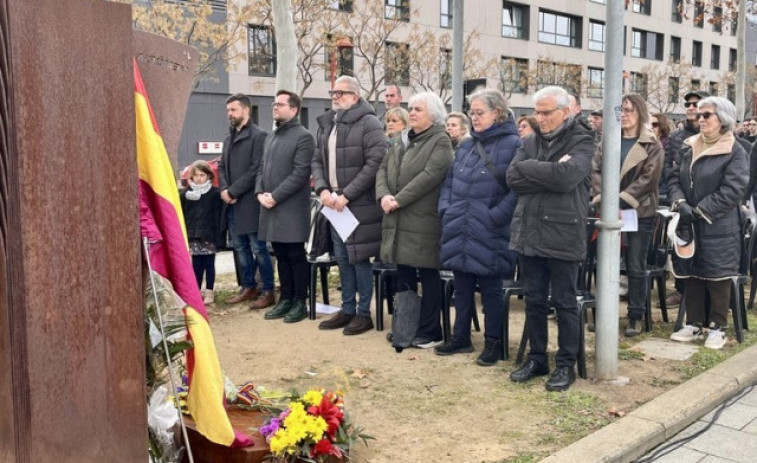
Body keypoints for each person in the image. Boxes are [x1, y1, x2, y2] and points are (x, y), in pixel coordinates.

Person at [506, 86, 595, 391]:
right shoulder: (530, 141)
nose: (540, 118)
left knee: (564, 301)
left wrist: (531, 169)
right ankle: (537, 357)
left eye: (546, 112)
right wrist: (546, 171)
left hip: (563, 231)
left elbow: (568, 177)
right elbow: (512, 177)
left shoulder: (582, 140)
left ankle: (566, 364)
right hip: (530, 230)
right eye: (537, 112)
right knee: (533, 300)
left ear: (565, 111)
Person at [434, 88, 520, 365]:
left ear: (497, 113)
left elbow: (517, 189)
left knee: (491, 289)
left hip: (491, 228)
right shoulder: (467, 145)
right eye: (472, 112)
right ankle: (461, 338)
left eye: (479, 112)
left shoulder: (514, 144)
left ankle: (494, 342)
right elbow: (449, 181)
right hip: (460, 223)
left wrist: (496, 216)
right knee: (462, 286)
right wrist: (446, 209)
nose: (474, 117)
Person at [668, 96, 748, 350]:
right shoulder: (688, 146)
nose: (699, 119)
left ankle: (717, 327)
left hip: (719, 224)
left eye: (706, 115)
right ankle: (693, 323)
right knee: (691, 271)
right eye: (699, 115)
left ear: (722, 119)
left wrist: (700, 210)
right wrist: (680, 203)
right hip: (688, 220)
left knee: (717, 274)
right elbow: (673, 179)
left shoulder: (735, 151)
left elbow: (734, 189)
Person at [375, 92, 453, 349]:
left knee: (428, 273)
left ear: (433, 114)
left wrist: (398, 199)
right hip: (397, 217)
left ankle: (431, 330)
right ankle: (406, 327)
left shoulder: (441, 140)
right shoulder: (400, 139)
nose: (413, 113)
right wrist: (384, 195)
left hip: (423, 219)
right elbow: (383, 169)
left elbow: (430, 175)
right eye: (411, 108)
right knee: (404, 272)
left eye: (418, 109)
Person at [313, 76, 386, 335]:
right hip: (333, 204)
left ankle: (364, 313)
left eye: (341, 93)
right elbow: (317, 161)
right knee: (342, 258)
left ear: (355, 97)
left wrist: (347, 195)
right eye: (333, 92)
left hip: (358, 205)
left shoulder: (370, 123)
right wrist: (322, 189)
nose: (335, 96)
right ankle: (347, 309)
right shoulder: (327, 124)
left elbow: (375, 162)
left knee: (360, 259)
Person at [591, 94, 663, 337]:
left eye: (629, 110)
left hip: (639, 211)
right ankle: (603, 314)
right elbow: (596, 169)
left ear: (640, 112)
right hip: (609, 208)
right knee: (606, 263)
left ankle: (635, 316)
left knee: (635, 264)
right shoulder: (608, 140)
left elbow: (649, 178)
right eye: (620, 110)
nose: (624, 115)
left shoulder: (652, 144)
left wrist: (621, 199)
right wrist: (605, 197)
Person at [256, 90, 315, 323]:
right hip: (270, 204)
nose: (275, 107)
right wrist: (260, 192)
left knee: (294, 254)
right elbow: (260, 168)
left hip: (290, 206)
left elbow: (301, 173)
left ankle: (300, 300)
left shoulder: (303, 137)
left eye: (280, 104)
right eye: (273, 103)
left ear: (293, 109)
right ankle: (286, 298)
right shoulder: (271, 137)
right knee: (280, 253)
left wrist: (276, 196)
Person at [219, 93, 276, 309]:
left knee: (259, 248)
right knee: (240, 248)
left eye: (233, 110)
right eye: (228, 110)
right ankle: (248, 287)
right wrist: (224, 189)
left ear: (245, 110)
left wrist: (233, 191)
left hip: (250, 202)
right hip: (231, 203)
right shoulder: (228, 138)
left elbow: (256, 170)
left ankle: (268, 290)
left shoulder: (259, 136)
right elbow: (222, 166)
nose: (229, 114)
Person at [663, 90, 709, 308]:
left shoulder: (720, 135)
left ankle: (709, 296)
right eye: (688, 104)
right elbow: (670, 170)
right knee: (681, 249)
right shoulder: (676, 136)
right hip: (681, 200)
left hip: (708, 203)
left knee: (707, 253)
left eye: (696, 104)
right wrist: (678, 200)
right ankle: (681, 291)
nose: (691, 107)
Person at [180, 160, 223, 305]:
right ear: (191, 177)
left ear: (209, 176)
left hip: (209, 234)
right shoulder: (185, 195)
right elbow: (183, 215)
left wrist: (219, 236)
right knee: (196, 264)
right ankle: (196, 291)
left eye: (202, 175)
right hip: (193, 234)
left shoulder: (215, 194)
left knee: (209, 263)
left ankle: (209, 291)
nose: (199, 178)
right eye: (196, 175)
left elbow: (218, 216)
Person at [651, 112, 673, 206]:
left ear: (662, 126)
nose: (651, 127)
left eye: (655, 125)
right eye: (649, 124)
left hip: (662, 192)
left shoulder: (668, 144)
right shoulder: (645, 143)